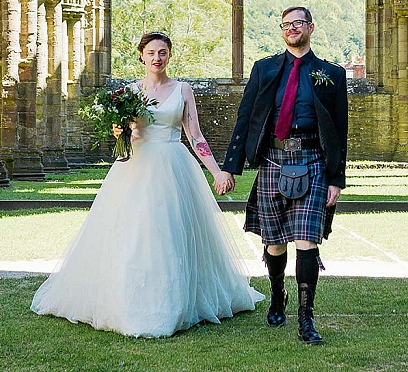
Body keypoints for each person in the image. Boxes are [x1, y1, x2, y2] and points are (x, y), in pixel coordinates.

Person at [31, 31, 262, 337]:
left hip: (173, 166)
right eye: (151, 52)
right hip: (135, 168)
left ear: (169, 55)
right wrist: (122, 132)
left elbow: (195, 136)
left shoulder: (183, 91)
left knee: (171, 231)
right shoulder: (128, 92)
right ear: (141, 55)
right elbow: (121, 131)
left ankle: (178, 301)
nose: (157, 58)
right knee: (132, 233)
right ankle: (127, 301)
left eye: (163, 52)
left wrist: (217, 172)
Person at [221, 5, 349, 345]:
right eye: (286, 24)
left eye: (298, 23)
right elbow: (245, 118)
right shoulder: (264, 69)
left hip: (313, 160)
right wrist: (231, 168)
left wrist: (337, 178)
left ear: (311, 26)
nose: (292, 28)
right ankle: (278, 296)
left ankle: (306, 318)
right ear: (282, 30)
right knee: (274, 242)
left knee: (307, 240)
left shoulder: (331, 74)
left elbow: (340, 130)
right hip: (273, 159)